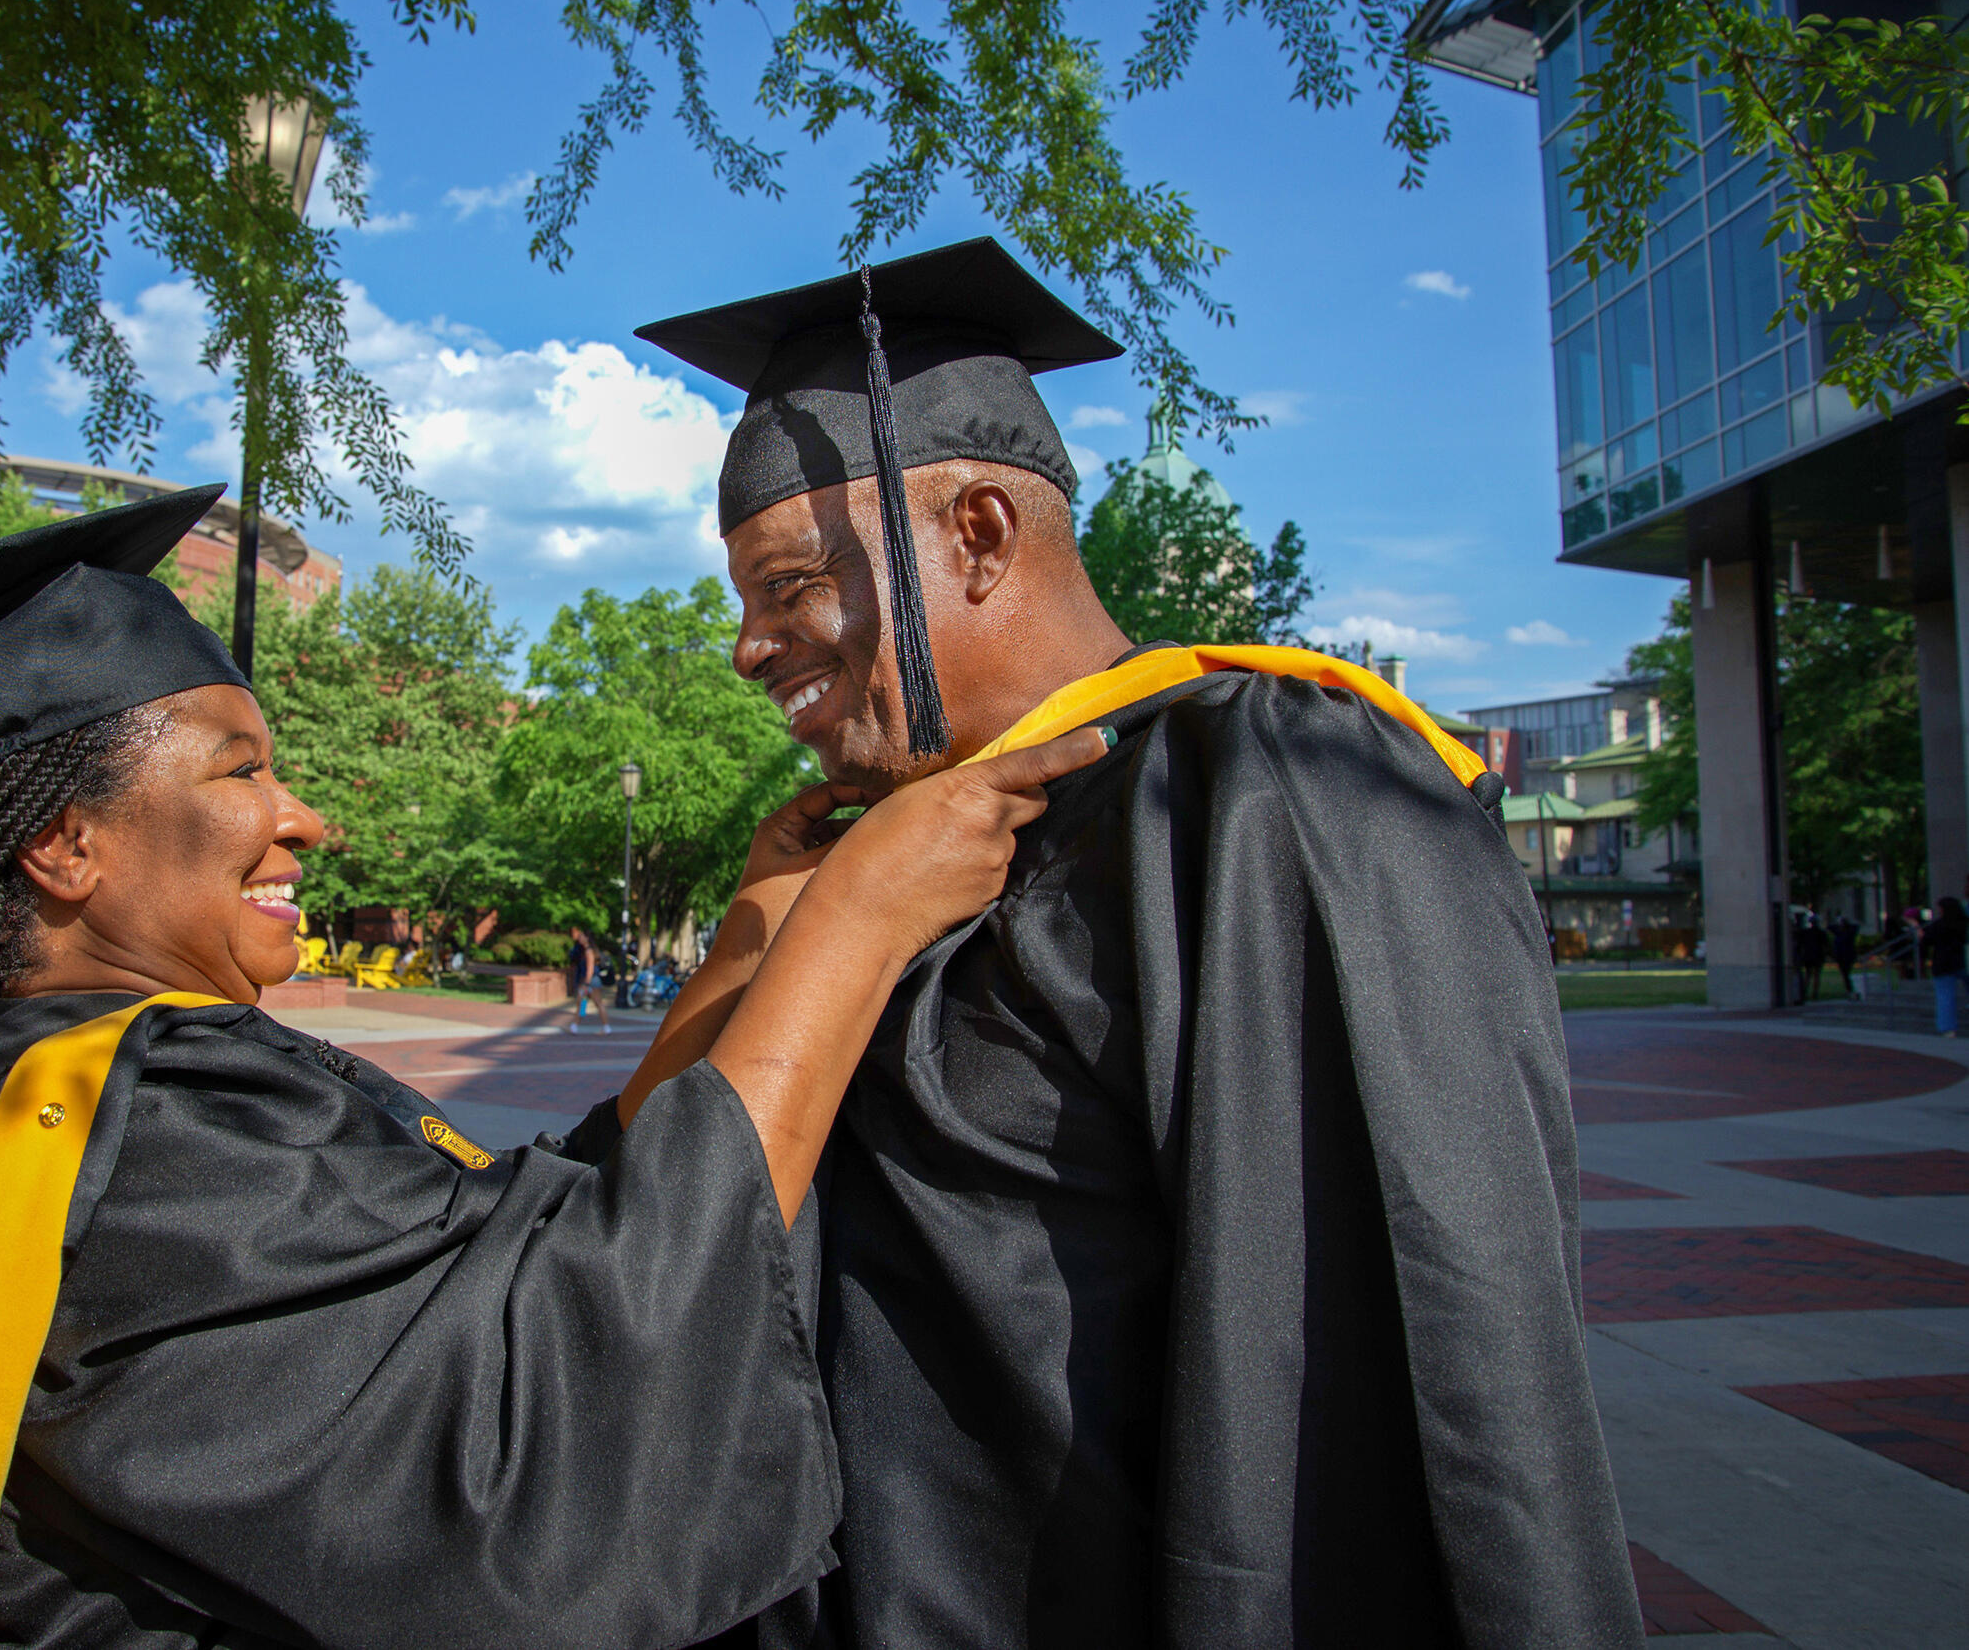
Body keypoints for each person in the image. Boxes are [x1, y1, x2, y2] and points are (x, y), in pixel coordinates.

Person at [0, 487, 1105, 1650]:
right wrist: (862, 919)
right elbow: (556, 1402)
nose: (304, 818)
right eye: (241, 772)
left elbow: (500, 1249)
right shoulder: (133, 1140)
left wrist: (751, 943)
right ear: (65, 846)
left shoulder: (92, 1092)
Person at [637, 237, 1640, 1646]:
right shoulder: (877, 853)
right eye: (744, 603)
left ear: (981, 534)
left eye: (790, 585)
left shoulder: (1267, 800)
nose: (750, 648)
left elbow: (1424, 1367)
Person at [1928, 898, 1967, 1036]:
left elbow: (1927, 940)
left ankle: (1948, 1028)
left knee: (1945, 996)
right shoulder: (1963, 924)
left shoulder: (1939, 925)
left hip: (1943, 964)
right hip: (1962, 961)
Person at [567, 924, 610, 1033]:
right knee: (583, 1003)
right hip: (591, 981)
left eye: (581, 936)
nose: (579, 938)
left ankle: (605, 1026)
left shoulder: (588, 951)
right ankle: (575, 1025)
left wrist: (586, 984)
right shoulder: (587, 950)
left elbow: (590, 969)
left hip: (591, 981)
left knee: (593, 1003)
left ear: (587, 938)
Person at [1794, 909, 1829, 1003]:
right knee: (1816, 975)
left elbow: (1799, 944)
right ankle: (1814, 993)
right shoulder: (1821, 933)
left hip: (1808, 956)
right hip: (1817, 956)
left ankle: (1805, 992)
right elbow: (1826, 945)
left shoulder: (1805, 933)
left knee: (1808, 975)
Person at [1832, 913, 1860, 999]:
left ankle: (1851, 990)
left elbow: (1856, 926)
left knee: (1846, 973)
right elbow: (1830, 927)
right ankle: (1849, 990)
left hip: (1848, 955)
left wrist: (1846, 923)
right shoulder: (1838, 933)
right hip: (1840, 956)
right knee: (1844, 974)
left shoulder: (1849, 933)